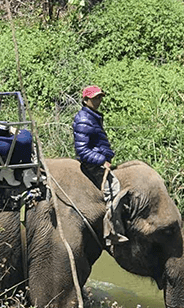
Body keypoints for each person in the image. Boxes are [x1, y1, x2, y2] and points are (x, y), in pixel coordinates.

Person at [72, 85, 128, 245]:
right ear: (85, 100)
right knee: (114, 189)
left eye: (100, 97)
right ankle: (111, 233)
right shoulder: (84, 119)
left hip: (98, 159)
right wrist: (101, 160)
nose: (98, 101)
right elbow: (82, 150)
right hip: (92, 164)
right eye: (95, 98)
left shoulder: (92, 116)